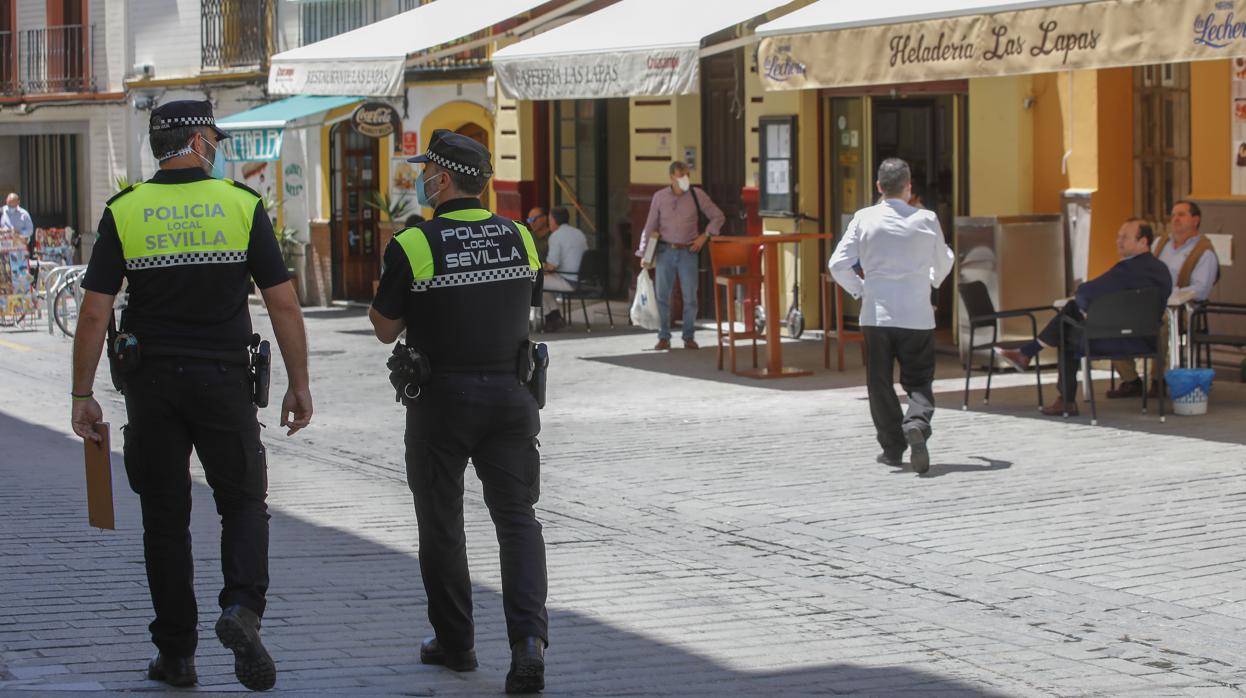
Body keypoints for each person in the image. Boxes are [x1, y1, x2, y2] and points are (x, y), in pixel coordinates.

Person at [68, 100, 313, 691]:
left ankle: (176, 655)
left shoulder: (125, 211)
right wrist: (300, 383)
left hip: (150, 385)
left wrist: (82, 393)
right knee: (243, 501)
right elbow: (282, 301)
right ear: (201, 140)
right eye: (215, 138)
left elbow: (96, 310)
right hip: (226, 381)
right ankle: (242, 608)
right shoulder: (240, 205)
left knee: (164, 517)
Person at [369, 129, 549, 695]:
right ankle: (527, 645)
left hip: (441, 403)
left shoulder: (414, 245)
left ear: (442, 179)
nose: (421, 178)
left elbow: (384, 327)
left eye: (426, 170)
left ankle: (457, 643)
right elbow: (530, 304)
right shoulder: (521, 237)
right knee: (517, 521)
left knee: (442, 524)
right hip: (511, 397)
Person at [828, 158, 954, 474]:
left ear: (879, 187)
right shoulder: (927, 219)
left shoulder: (864, 218)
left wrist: (860, 290)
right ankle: (916, 422)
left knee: (879, 383)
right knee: (920, 379)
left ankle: (893, 448)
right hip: (916, 314)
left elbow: (837, 264)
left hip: (876, 314)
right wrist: (930, 280)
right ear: (909, 188)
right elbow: (944, 260)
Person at [1000, 218, 1172, 416]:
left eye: (1125, 237)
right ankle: (1027, 352)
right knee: (1071, 314)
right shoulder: (1162, 271)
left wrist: (1084, 307)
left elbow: (1085, 293)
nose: (1118, 241)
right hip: (1147, 340)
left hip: (1115, 341)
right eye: (1118, 236)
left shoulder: (1124, 270)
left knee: (1067, 328)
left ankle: (1062, 396)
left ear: (1143, 242)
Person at [1108, 200, 1218, 399]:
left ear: (1196, 220)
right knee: (1111, 317)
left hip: (1182, 311)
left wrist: (1171, 292)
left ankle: (1159, 379)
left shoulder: (1204, 252)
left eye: (1181, 215)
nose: (1175, 219)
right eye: (1173, 214)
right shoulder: (1160, 243)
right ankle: (1131, 380)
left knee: (1162, 322)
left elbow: (1200, 290)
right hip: (1147, 303)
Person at [638, 160, 725, 350]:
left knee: (690, 296)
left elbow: (718, 216)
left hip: (688, 251)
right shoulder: (659, 197)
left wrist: (705, 236)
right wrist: (644, 253)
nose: (685, 179)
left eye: (687, 175)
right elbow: (649, 226)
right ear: (671, 177)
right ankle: (664, 336)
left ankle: (688, 335)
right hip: (665, 250)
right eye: (680, 176)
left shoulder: (697, 195)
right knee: (663, 295)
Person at [540, 206, 587, 331]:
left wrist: (539, 266)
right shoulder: (579, 233)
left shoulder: (556, 236)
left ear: (554, 220)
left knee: (534, 281)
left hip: (569, 280)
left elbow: (551, 266)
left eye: (549, 219)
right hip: (581, 278)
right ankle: (555, 317)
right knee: (543, 282)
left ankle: (551, 317)